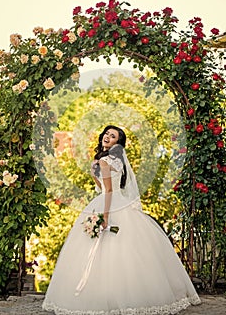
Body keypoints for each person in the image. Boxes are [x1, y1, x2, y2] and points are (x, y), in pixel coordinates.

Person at [42, 125, 201, 315]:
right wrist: (94, 175)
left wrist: (105, 216)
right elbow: (103, 187)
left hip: (108, 204)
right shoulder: (113, 160)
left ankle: (104, 297)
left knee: (111, 251)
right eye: (107, 134)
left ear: (117, 142)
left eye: (113, 136)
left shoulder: (105, 161)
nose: (107, 137)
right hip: (117, 202)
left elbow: (108, 191)